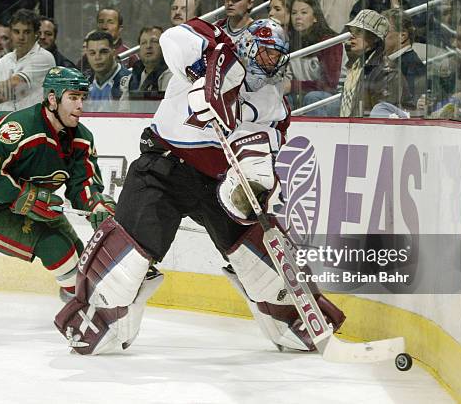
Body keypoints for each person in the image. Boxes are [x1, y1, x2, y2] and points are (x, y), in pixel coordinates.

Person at [54, 18, 346, 355]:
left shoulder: (271, 104)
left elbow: (263, 154)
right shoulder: (212, 47)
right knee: (122, 267)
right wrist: (202, 72)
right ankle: (98, 319)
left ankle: (292, 321)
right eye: (265, 54)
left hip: (219, 185)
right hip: (164, 167)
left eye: (276, 57)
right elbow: (171, 37)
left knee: (263, 266)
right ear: (248, 46)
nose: (270, 63)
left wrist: (251, 186)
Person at [0, 66, 116, 302]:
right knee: (57, 247)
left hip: (33, 203)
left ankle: (75, 299)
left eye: (82, 98)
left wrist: (96, 206)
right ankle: (81, 307)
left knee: (81, 256)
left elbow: (82, 183)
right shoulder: (17, 130)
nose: (80, 105)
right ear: (52, 98)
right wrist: (27, 196)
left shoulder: (82, 138)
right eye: (73, 98)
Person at [0, 9, 56, 111]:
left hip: (30, 122)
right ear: (11, 33)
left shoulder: (44, 57)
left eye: (27, 32)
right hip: (2, 120)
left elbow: (14, 84)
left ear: (36, 34)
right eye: (16, 32)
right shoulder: (5, 59)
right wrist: (1, 92)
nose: (21, 37)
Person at [340, 9, 409, 118]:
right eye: (352, 31)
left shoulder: (387, 72)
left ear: (375, 38)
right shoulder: (356, 65)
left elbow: (384, 119)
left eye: (359, 32)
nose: (352, 36)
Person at [284, 0, 344, 116]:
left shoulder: (329, 42)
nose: (298, 17)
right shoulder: (291, 42)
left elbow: (330, 84)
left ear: (315, 17)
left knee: (312, 98)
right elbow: (287, 78)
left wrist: (293, 85)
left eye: (304, 12)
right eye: (294, 13)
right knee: (281, 100)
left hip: (333, 97)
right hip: (302, 94)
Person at [118, 26, 172, 112]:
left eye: (154, 41)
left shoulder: (174, 77)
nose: (148, 46)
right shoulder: (131, 79)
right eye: (143, 43)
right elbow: (123, 113)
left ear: (164, 46)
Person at [382, 8, 426, 110]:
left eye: (384, 31)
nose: (379, 36)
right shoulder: (394, 61)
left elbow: (409, 106)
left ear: (402, 36)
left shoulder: (412, 65)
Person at [79, 7, 139, 75]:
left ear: (120, 28)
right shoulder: (87, 56)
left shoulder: (129, 56)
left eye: (110, 22)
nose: (104, 27)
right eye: (101, 22)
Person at [84, 31, 131, 112]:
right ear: (87, 55)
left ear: (114, 52)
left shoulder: (130, 81)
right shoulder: (85, 84)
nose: (97, 57)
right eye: (92, 53)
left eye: (103, 52)